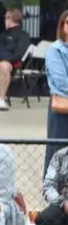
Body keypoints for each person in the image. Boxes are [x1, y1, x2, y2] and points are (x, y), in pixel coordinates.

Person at [36, 143, 68, 225]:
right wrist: (63, 203)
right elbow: (48, 186)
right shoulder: (61, 155)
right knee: (44, 220)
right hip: (64, 204)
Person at [46, 9, 68, 171]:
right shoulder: (56, 50)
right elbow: (61, 83)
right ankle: (54, 191)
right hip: (63, 107)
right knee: (59, 151)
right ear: (62, 26)